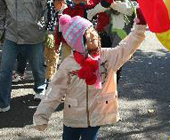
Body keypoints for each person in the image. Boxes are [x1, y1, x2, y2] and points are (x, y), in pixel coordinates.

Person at [33, 8, 147, 139]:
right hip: (72, 118)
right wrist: (42, 116)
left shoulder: (107, 57)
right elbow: (55, 91)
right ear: (79, 45)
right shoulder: (69, 64)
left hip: (95, 117)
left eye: (94, 34)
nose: (95, 38)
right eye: (90, 39)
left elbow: (127, 47)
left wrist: (140, 26)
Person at [85, 0, 138, 82]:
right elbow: (93, 10)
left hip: (122, 29)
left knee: (116, 61)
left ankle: (111, 91)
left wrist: (115, 4)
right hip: (104, 29)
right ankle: (100, 90)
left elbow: (136, 2)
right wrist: (105, 2)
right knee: (102, 60)